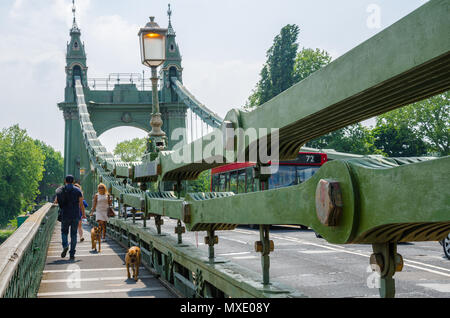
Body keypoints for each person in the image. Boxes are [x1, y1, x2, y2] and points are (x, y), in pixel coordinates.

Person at [55, 175, 86, 260]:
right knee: (73, 234)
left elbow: (56, 202)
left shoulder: (61, 190)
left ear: (65, 181)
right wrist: (83, 214)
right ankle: (72, 253)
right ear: (73, 181)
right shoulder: (78, 190)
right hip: (75, 215)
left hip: (65, 215)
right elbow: (81, 204)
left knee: (64, 232)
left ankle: (65, 245)